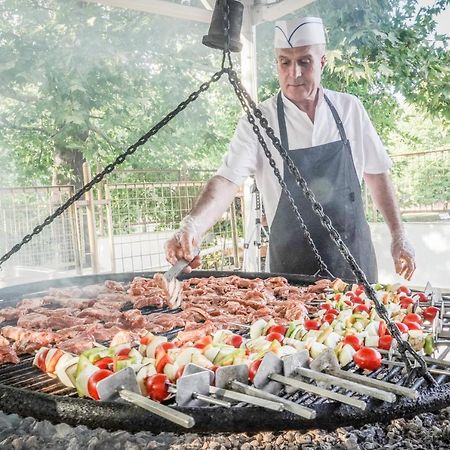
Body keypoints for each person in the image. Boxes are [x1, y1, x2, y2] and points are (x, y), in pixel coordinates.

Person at [165, 16, 416, 282]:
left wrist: (398, 235)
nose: (293, 73)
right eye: (284, 62)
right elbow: (227, 181)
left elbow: (377, 174)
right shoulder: (258, 120)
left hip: (354, 265)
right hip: (290, 274)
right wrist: (193, 225)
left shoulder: (350, 109)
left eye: (304, 62)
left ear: (322, 62)